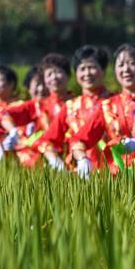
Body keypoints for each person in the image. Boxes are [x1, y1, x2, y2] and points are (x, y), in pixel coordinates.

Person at [69, 44, 135, 175]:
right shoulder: (107, 106)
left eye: (131, 63)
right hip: (116, 178)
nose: (126, 69)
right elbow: (79, 140)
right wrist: (82, 159)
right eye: (121, 65)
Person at [35, 45, 112, 174]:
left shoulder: (114, 103)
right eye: (82, 69)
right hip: (77, 175)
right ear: (76, 74)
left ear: (103, 71)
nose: (87, 73)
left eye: (92, 67)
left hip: (113, 174)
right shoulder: (71, 106)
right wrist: (55, 162)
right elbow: (47, 140)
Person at [0, 53, 74, 166]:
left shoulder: (77, 104)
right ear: (45, 80)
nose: (54, 77)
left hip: (75, 160)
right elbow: (4, 115)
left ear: (68, 76)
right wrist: (13, 131)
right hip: (46, 163)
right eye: (49, 74)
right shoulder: (37, 105)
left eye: (58, 72)